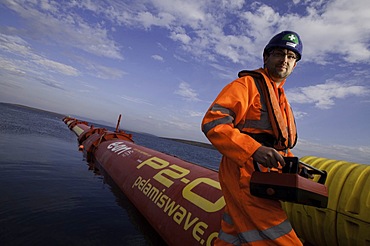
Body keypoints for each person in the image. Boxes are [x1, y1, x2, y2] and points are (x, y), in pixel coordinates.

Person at [201, 31, 303, 245]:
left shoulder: (281, 99)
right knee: (280, 238)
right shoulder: (246, 85)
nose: (285, 60)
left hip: (266, 175)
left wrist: (294, 164)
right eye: (279, 53)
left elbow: (276, 143)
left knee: (234, 231)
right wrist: (253, 150)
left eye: (291, 56)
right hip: (244, 172)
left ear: (295, 65)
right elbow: (213, 123)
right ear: (266, 57)